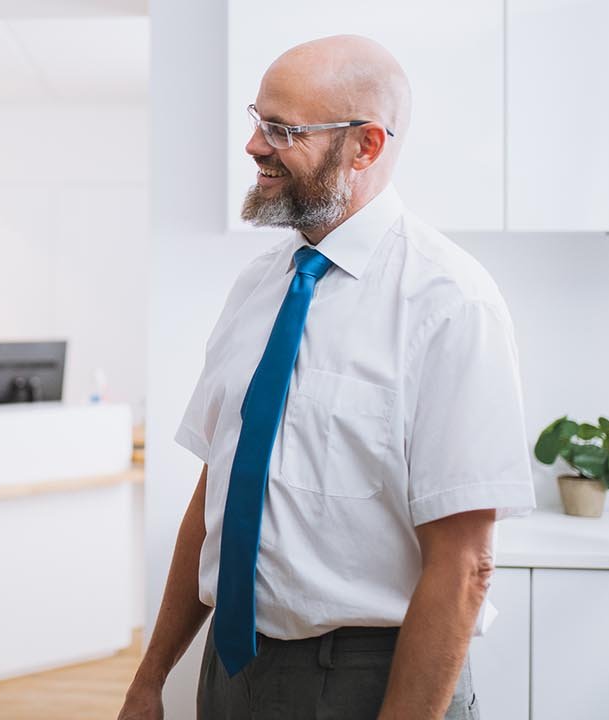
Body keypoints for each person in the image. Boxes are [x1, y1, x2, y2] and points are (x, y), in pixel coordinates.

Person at [118, 36, 534, 720]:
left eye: (282, 130)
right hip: (232, 672)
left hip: (373, 679)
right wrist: (151, 676)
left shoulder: (451, 303)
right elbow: (218, 492)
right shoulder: (258, 286)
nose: (254, 146)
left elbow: (464, 567)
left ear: (366, 146)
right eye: (258, 120)